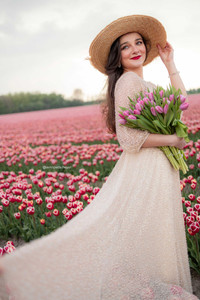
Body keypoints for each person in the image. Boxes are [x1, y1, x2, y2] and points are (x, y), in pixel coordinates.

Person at [0, 14, 199, 300]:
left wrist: (169, 63)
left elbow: (181, 104)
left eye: (139, 42)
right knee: (147, 237)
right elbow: (128, 138)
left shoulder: (145, 85)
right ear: (117, 58)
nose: (135, 49)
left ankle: (151, 291)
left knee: (154, 238)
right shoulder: (128, 82)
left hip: (158, 168)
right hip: (147, 167)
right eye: (126, 47)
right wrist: (173, 140)